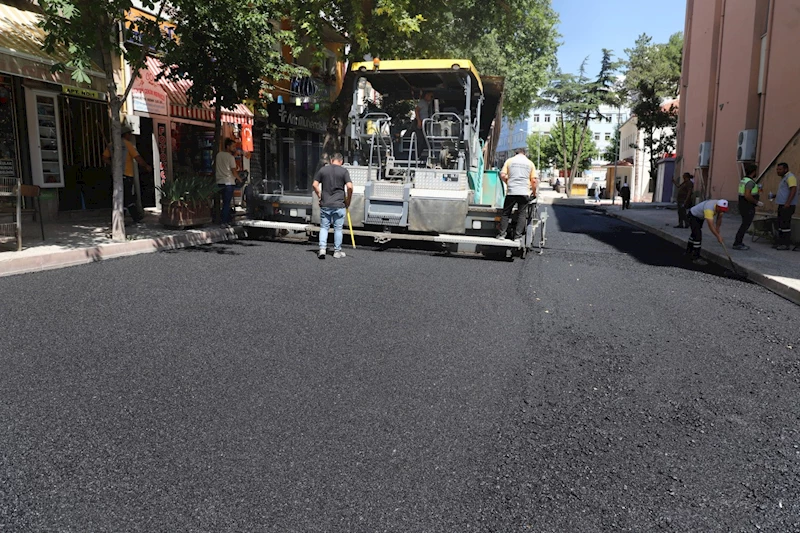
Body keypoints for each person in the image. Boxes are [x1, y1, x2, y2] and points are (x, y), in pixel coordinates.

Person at [102, 124, 153, 224]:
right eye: (129, 134)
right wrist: (146, 166)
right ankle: (133, 217)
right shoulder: (127, 144)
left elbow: (104, 157)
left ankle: (124, 218)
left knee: (124, 196)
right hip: (127, 174)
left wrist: (113, 165)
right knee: (128, 196)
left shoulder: (111, 144)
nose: (130, 136)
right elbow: (137, 158)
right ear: (126, 134)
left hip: (116, 175)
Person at [312, 152, 353, 259]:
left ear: (331, 160)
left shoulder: (323, 170)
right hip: (339, 204)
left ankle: (322, 249)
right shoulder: (344, 171)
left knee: (324, 227)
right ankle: (337, 251)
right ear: (341, 161)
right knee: (338, 229)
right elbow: (350, 187)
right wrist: (348, 200)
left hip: (325, 203)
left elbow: (315, 185)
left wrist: (319, 195)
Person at [496, 147, 537, 240]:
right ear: (524, 154)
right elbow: (534, 181)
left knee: (506, 213)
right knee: (522, 214)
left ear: (515, 153)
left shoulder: (509, 161)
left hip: (511, 191)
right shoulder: (530, 163)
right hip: (524, 192)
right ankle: (517, 236)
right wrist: (534, 193)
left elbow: (502, 175)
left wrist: (508, 182)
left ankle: (502, 234)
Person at [686, 198, 728, 265]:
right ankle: (696, 257)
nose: (721, 211)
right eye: (720, 210)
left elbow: (719, 218)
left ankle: (688, 251)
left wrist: (717, 228)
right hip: (693, 215)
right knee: (697, 235)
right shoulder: (709, 209)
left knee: (694, 233)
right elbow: (710, 225)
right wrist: (718, 236)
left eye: (723, 210)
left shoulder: (720, 208)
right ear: (717, 206)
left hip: (700, 217)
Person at [732, 163, 764, 250]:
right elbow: (747, 195)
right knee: (745, 225)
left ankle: (738, 242)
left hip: (743, 205)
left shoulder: (744, 180)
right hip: (748, 206)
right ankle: (737, 243)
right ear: (753, 172)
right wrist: (756, 202)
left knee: (744, 224)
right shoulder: (750, 182)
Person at [215, 138, 238, 227]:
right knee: (226, 203)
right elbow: (234, 171)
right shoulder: (230, 157)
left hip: (219, 182)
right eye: (233, 146)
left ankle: (223, 219)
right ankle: (224, 222)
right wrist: (239, 179)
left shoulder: (218, 155)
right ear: (227, 147)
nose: (234, 148)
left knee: (221, 202)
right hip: (228, 182)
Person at [774, 162, 797, 250]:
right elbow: (785, 192)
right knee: (780, 224)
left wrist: (788, 202)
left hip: (787, 205)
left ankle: (785, 244)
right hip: (782, 204)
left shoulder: (790, 177)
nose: (778, 171)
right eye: (777, 169)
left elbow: (793, 190)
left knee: (785, 225)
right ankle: (780, 242)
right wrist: (775, 196)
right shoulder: (784, 178)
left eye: (780, 169)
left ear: (786, 169)